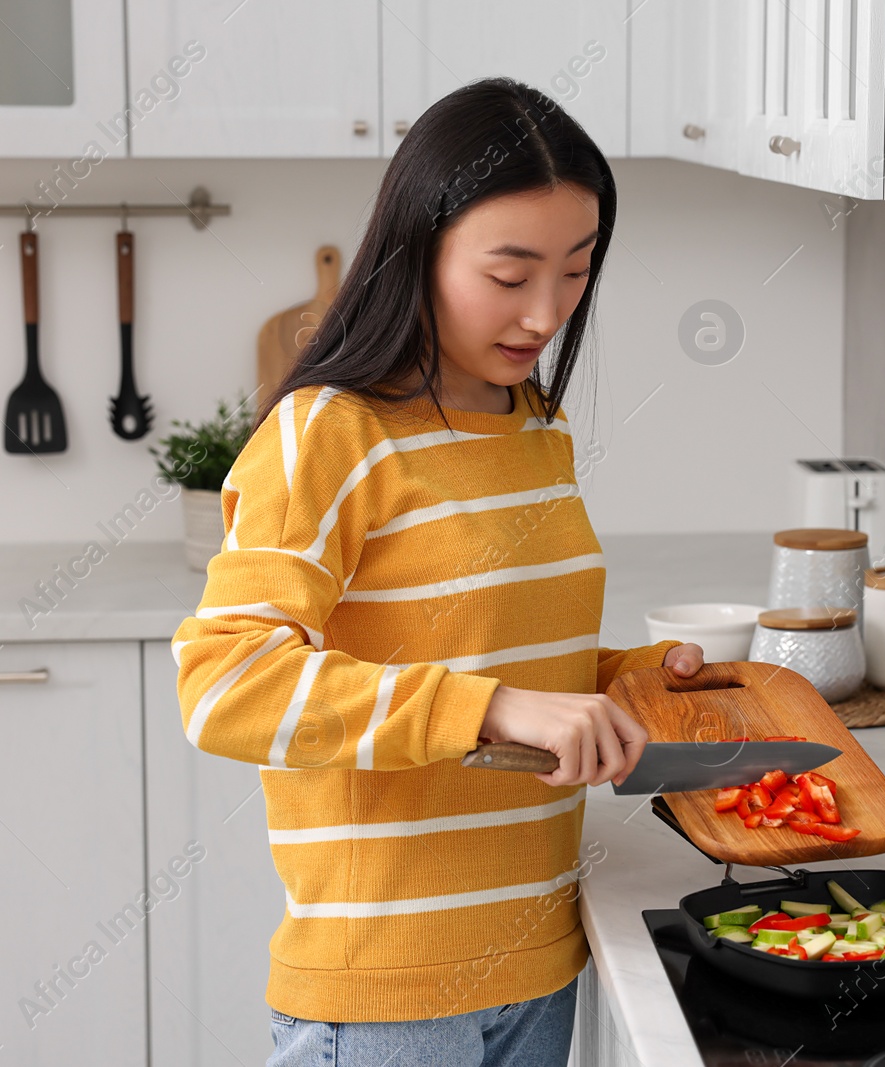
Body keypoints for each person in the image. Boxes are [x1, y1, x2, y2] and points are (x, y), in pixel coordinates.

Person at [171, 76, 705, 1067]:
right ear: (419, 248)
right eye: (510, 274)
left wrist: (630, 679)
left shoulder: (532, 426)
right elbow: (224, 686)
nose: (545, 312)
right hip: (383, 998)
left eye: (577, 272)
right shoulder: (328, 436)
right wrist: (498, 708)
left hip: (540, 965)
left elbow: (492, 659)